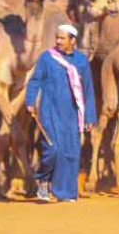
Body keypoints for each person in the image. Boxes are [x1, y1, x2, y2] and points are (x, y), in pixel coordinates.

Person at [25, 24, 97, 203]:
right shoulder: (47, 58)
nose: (57, 41)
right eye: (57, 38)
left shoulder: (81, 61)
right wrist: (30, 101)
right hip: (49, 112)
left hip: (72, 115)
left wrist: (89, 116)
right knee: (52, 150)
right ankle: (42, 180)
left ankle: (65, 193)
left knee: (70, 154)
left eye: (62, 38)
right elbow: (35, 81)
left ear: (73, 40)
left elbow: (88, 90)